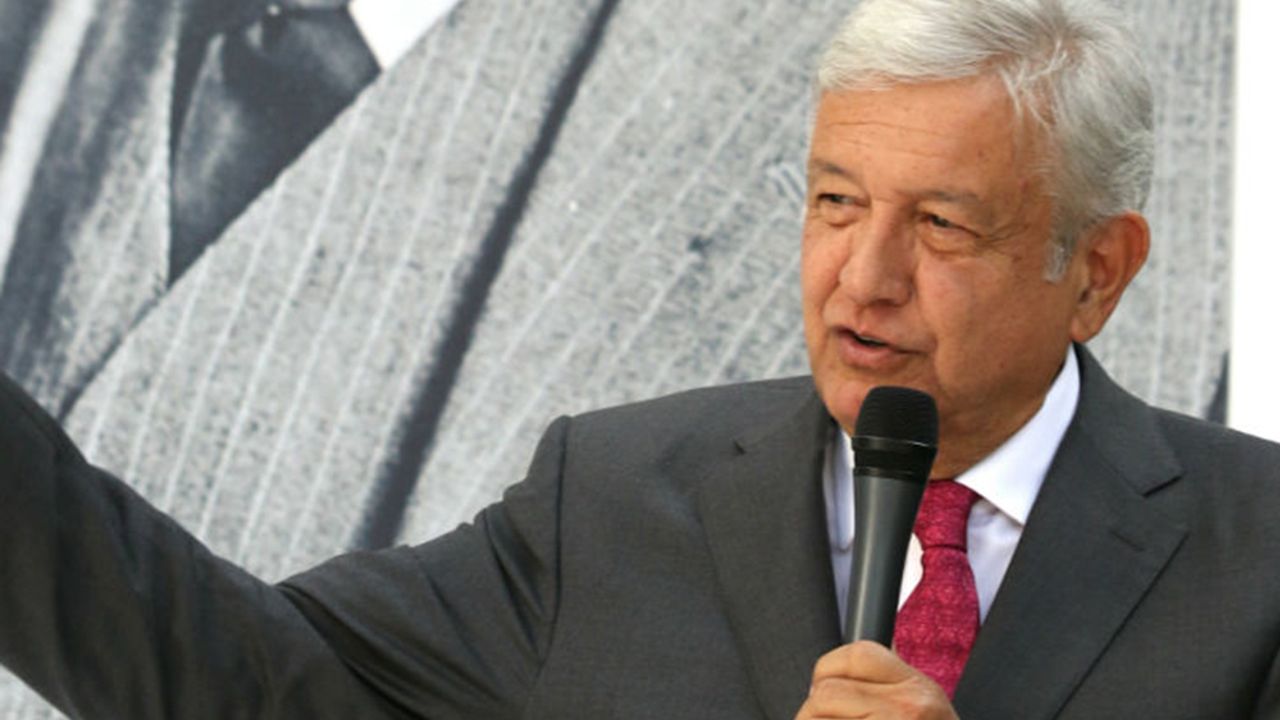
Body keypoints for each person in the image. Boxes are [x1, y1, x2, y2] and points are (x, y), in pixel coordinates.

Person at [1, 0, 1277, 718]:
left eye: (940, 225)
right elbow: (254, 675)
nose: (862, 276)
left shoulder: (1256, 552)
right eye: (834, 203)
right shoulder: (612, 492)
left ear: (1095, 271)